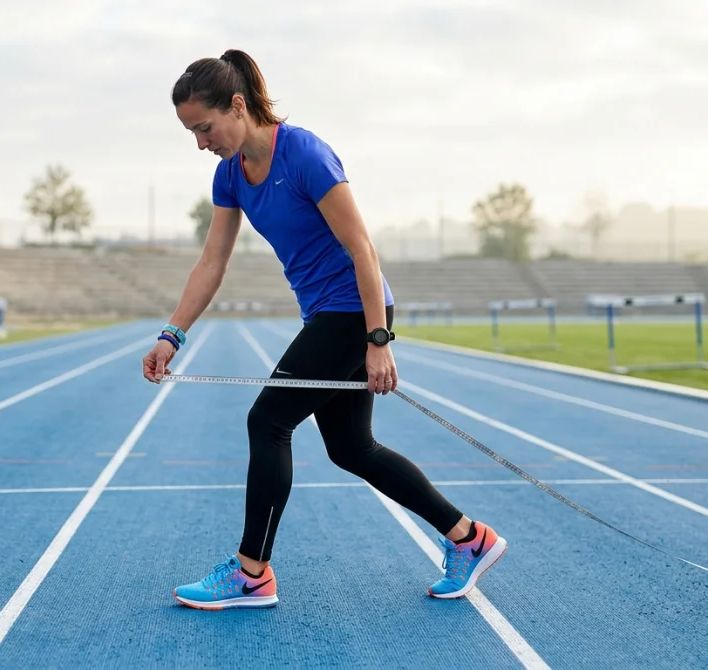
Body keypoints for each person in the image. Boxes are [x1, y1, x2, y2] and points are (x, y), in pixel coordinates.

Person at [141, 49, 506, 610]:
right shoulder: (230, 175)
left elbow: (363, 249)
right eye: (191, 132)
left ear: (236, 106)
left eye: (204, 127)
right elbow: (211, 262)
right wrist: (172, 335)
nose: (200, 142)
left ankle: (252, 573)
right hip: (326, 314)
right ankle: (469, 538)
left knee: (268, 421)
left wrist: (377, 340)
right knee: (352, 448)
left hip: (355, 311)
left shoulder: (305, 154)